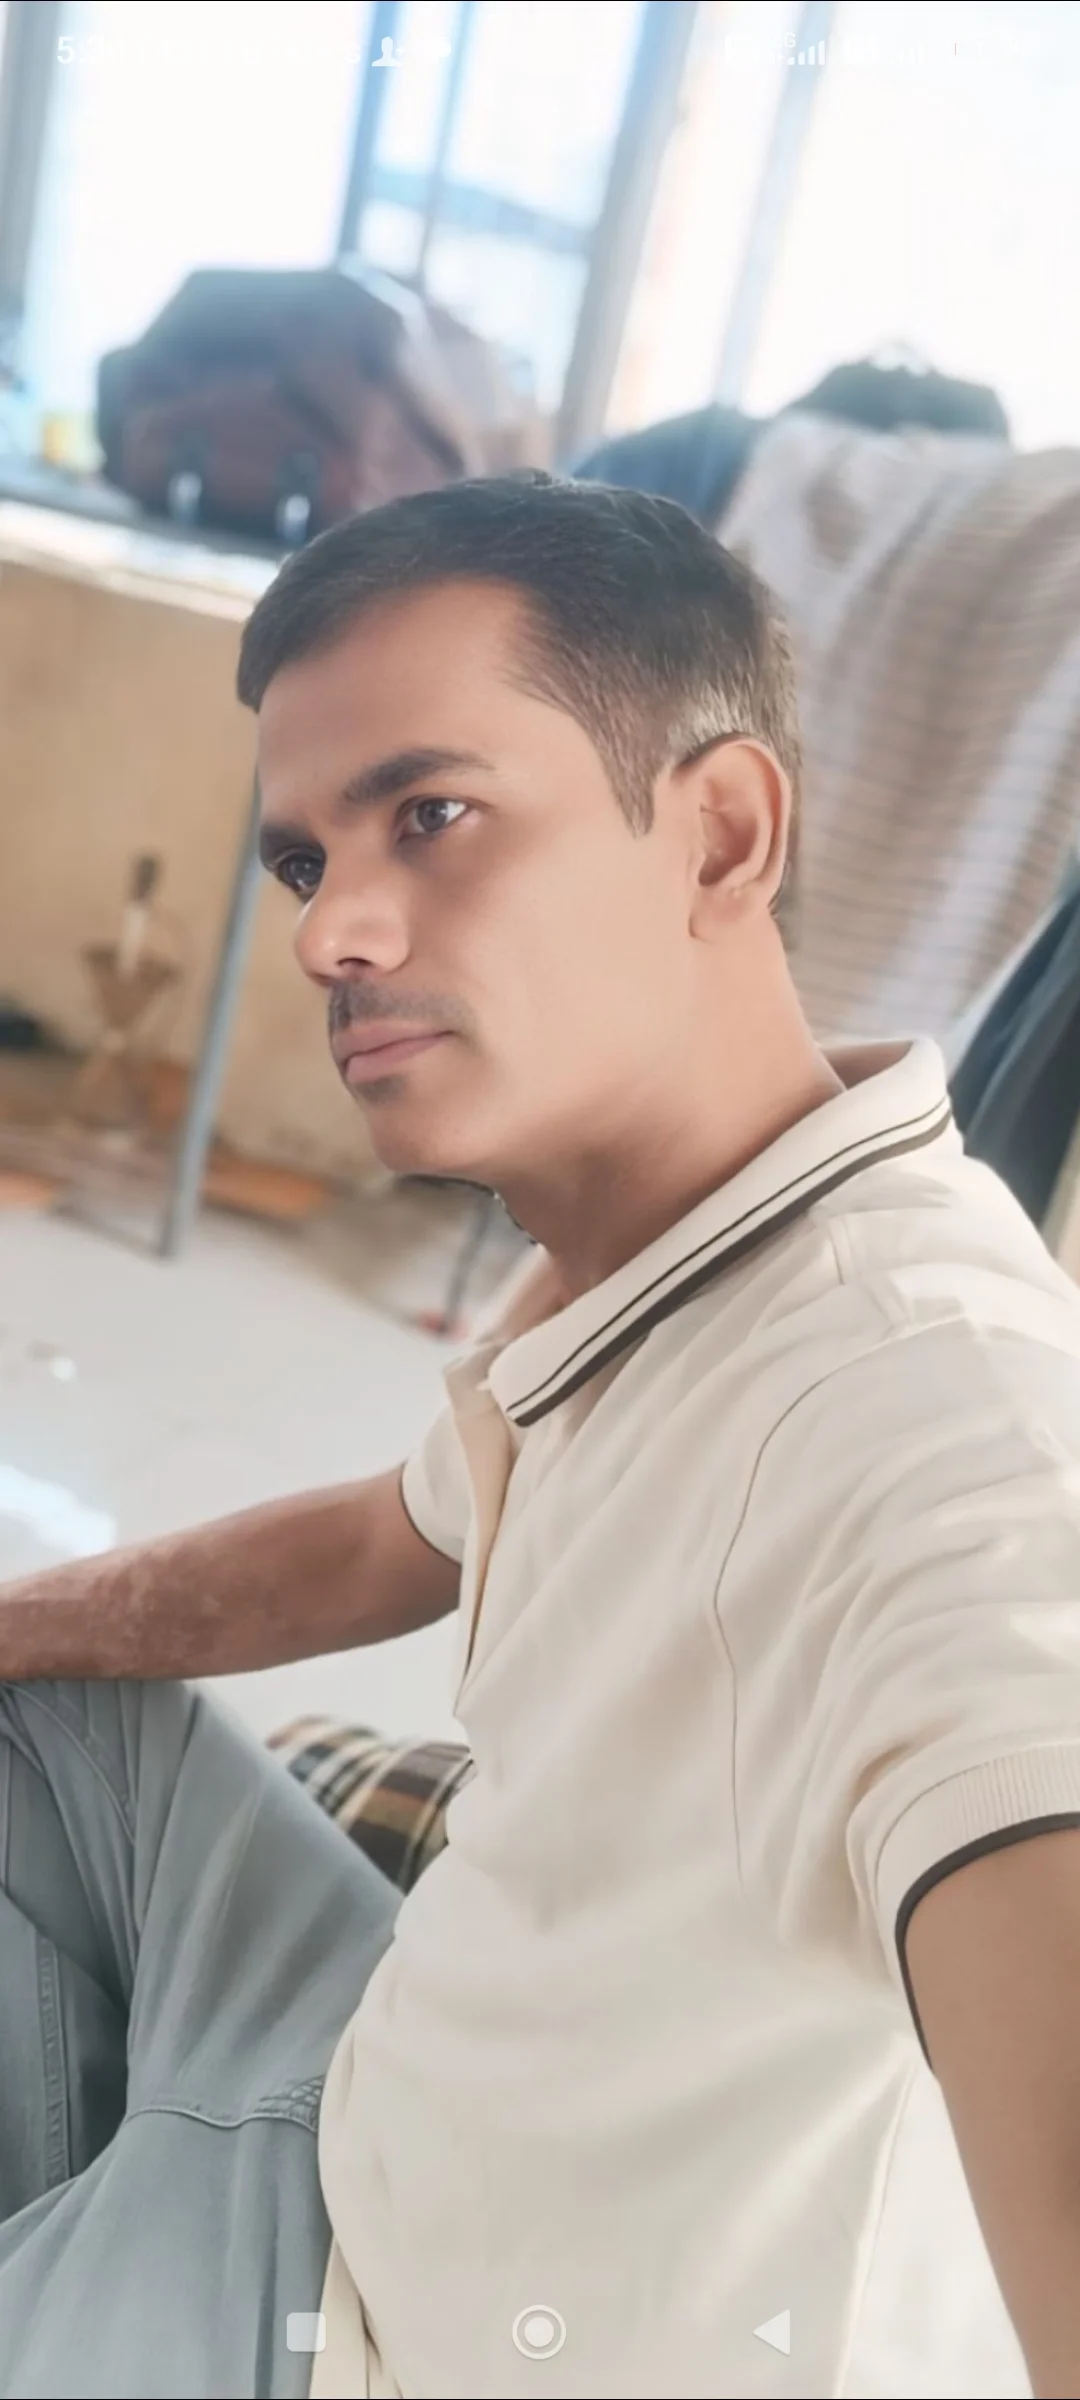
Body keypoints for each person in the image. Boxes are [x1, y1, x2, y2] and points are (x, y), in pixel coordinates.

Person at [2, 471, 1080, 2400]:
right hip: (362, 2079)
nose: (335, 934)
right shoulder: (671, 1241)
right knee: (26, 1713)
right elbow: (379, 1540)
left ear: (720, 832)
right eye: (309, 863)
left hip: (400, 2340)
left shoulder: (931, 1405)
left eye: (432, 814)